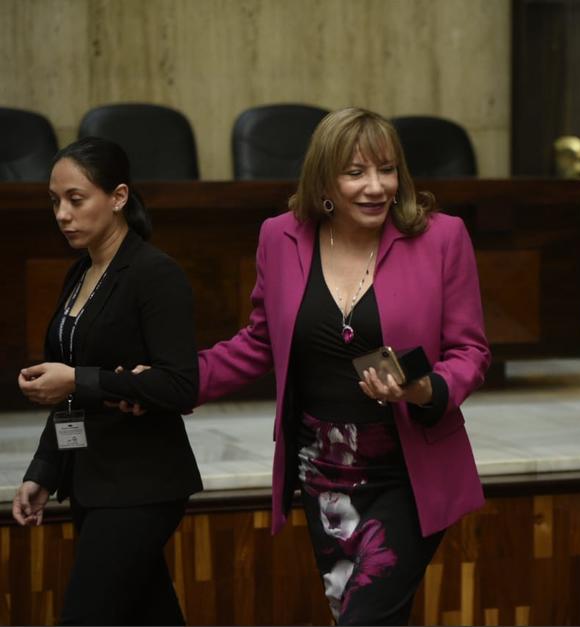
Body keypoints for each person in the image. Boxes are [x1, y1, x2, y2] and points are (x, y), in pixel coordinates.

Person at [194, 107, 490, 624]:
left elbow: (470, 352)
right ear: (324, 180)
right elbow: (260, 342)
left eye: (387, 169)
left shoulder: (442, 237)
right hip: (323, 472)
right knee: (351, 613)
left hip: (408, 471)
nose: (376, 186)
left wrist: (423, 390)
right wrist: (174, 383)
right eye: (356, 172)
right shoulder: (279, 237)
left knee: (364, 618)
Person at [12, 137, 202, 625]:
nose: (62, 214)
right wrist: (43, 471)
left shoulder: (155, 274)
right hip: (91, 480)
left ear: (118, 197)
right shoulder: (79, 273)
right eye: (55, 201)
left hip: (142, 482)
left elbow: (180, 385)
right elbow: (71, 394)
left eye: (76, 199)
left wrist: (78, 380)